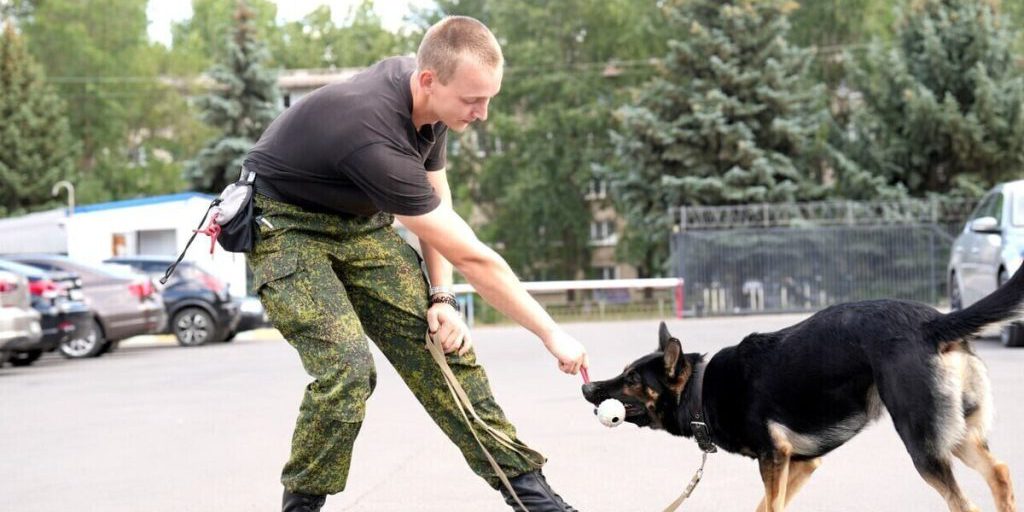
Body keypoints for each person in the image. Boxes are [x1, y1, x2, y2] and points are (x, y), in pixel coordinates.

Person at [244, 15, 589, 512]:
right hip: (286, 226)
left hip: (360, 225)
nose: (482, 113)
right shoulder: (371, 135)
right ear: (429, 80)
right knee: (347, 372)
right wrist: (550, 333)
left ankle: (538, 503)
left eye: (488, 98)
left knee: (443, 348)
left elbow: (437, 200)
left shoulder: (433, 100)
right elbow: (473, 256)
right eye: (473, 100)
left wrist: (442, 298)